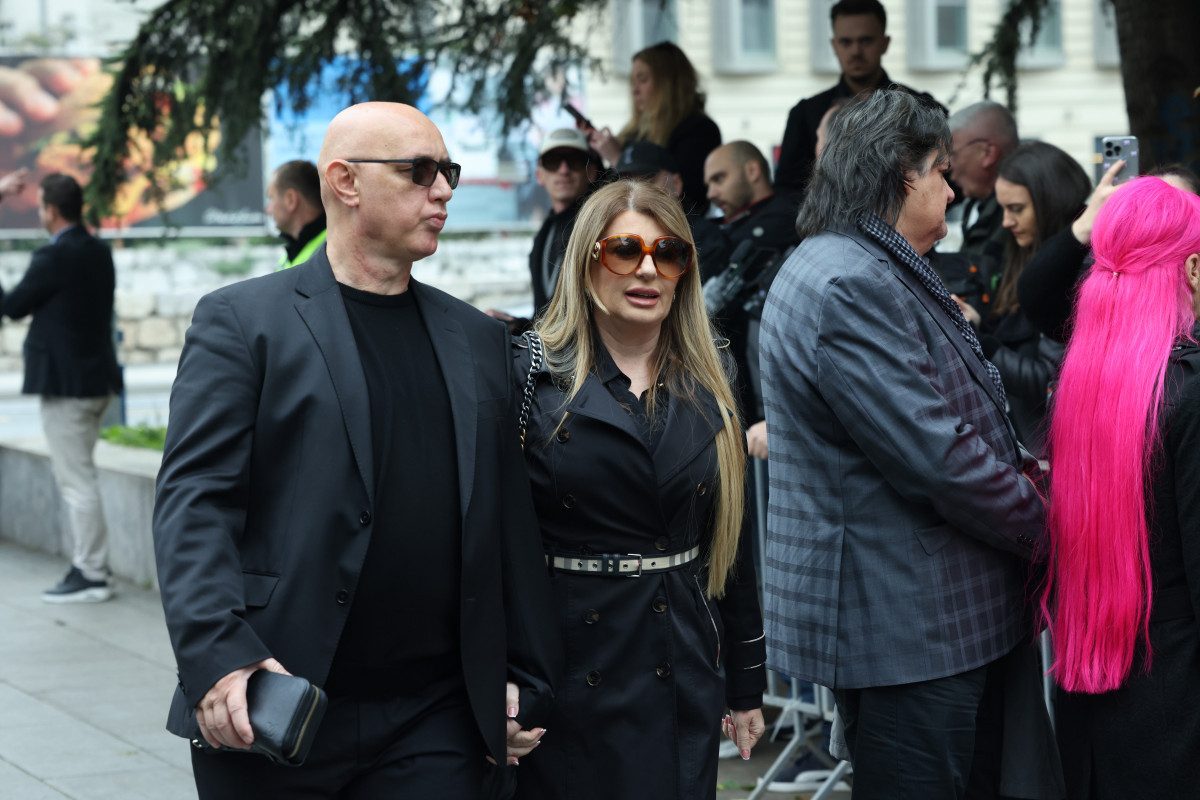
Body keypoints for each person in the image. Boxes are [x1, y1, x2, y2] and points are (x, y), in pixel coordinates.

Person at [153, 102, 559, 799]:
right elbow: (195, 504)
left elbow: (506, 523)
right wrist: (219, 657)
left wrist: (526, 677)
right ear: (344, 181)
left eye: (449, 171)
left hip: (437, 716)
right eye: (419, 171)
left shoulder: (477, 339)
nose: (443, 190)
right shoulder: (243, 321)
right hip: (276, 700)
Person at [759, 89, 1059, 799]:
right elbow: (939, 459)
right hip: (910, 630)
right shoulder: (849, 281)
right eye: (941, 173)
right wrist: (1050, 526)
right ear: (900, 175)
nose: (952, 192)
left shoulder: (858, 262)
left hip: (927, 621)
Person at [510, 179, 766, 800]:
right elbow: (490, 548)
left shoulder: (713, 376)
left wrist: (746, 683)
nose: (649, 270)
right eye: (625, 250)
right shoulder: (528, 375)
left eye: (669, 253)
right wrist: (500, 679)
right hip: (566, 663)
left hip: (680, 660)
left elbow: (730, 543)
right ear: (586, 261)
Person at [1039, 176, 1200, 799]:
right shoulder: (1187, 392)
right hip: (1176, 704)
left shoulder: (1081, 380)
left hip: (1094, 702)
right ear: (1192, 269)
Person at [0, 173, 122, 603]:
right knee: (81, 476)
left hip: (68, 388)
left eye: (39, 208)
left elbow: (11, 307)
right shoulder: (99, 251)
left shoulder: (53, 257)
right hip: (98, 381)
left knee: (77, 482)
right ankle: (91, 567)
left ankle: (92, 573)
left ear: (50, 211)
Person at [953, 141, 1090, 456]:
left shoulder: (1076, 270)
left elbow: (1049, 382)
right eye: (1003, 208)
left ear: (1049, 203)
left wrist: (980, 342)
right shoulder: (1020, 252)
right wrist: (975, 322)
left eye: (1016, 209)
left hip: (1053, 452)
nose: (1005, 222)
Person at [774, 0, 943, 197]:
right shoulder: (806, 114)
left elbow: (945, 178)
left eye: (866, 41)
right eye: (846, 42)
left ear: (885, 43)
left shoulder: (921, 109)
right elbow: (788, 191)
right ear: (834, 46)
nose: (856, 51)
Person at [1019, 162, 1200, 342]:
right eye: (1155, 208)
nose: (1166, 220)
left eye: (1179, 207)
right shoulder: (1109, 283)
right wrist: (1086, 223)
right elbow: (1037, 297)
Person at [702, 141, 799, 457]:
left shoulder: (789, 220)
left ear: (753, 171)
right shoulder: (726, 229)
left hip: (774, 405)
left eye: (719, 179)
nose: (711, 193)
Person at [581, 41, 720, 218]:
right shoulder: (635, 133)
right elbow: (605, 193)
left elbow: (689, 200)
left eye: (643, 80)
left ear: (669, 84)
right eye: (632, 82)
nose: (634, 90)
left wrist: (617, 159)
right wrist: (595, 155)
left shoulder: (698, 130)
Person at [528, 128, 602, 314]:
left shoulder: (602, 226)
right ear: (539, 175)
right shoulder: (544, 235)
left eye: (574, 161)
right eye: (553, 162)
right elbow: (543, 317)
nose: (564, 170)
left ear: (592, 172)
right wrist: (516, 325)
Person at [947, 101, 1020, 285]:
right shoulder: (977, 205)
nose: (948, 166)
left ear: (988, 153)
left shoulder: (1021, 218)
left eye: (953, 154)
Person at [265, 159, 327, 269]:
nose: (268, 210)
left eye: (271, 198)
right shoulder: (288, 257)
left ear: (291, 200)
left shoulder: (332, 250)